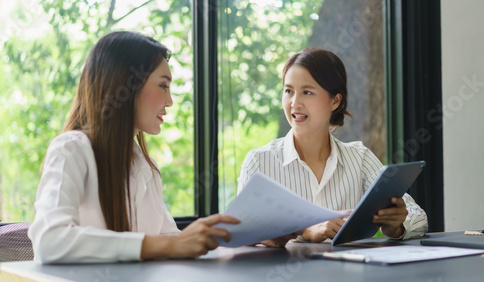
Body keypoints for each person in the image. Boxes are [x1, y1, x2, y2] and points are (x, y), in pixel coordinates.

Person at [28, 31, 239, 263]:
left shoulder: (146, 167)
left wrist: (241, 237)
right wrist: (166, 244)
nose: (169, 101)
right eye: (163, 86)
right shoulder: (72, 149)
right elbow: (50, 241)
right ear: (127, 85)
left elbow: (171, 239)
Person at [237, 48, 428, 247]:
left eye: (307, 92)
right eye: (288, 91)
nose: (295, 103)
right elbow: (239, 231)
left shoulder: (359, 159)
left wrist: (396, 226)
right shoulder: (259, 161)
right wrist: (302, 229)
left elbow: (418, 218)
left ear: (335, 101)